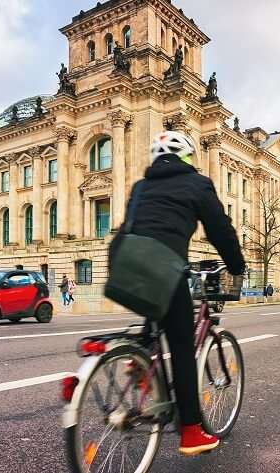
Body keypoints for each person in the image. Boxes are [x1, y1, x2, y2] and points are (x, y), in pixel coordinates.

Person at [109, 130, 246, 456]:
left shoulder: (141, 186)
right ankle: (192, 433)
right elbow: (220, 230)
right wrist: (236, 265)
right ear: (187, 158)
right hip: (165, 263)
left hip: (124, 260)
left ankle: (141, 358)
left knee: (153, 302)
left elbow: (140, 226)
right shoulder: (197, 183)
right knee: (183, 346)